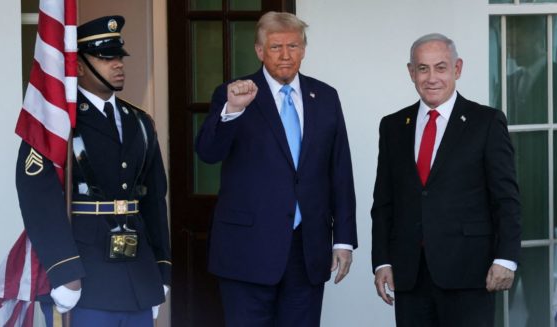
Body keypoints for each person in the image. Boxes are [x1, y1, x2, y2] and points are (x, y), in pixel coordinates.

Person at [195, 11, 357, 327]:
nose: (285, 56)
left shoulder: (325, 96)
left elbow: (340, 170)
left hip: (307, 249)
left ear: (304, 49)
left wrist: (343, 240)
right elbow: (208, 153)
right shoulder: (234, 93)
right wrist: (232, 111)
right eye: (276, 47)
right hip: (247, 251)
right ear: (259, 51)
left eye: (293, 46)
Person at [15, 15, 171, 327]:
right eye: (105, 57)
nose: (118, 64)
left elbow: (153, 199)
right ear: (80, 66)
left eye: (119, 56)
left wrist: (161, 267)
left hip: (138, 275)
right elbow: (38, 197)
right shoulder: (57, 125)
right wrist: (65, 271)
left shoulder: (139, 122)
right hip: (85, 271)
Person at [371, 33, 521, 327]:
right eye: (423, 68)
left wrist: (506, 258)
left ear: (457, 69)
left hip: (470, 271)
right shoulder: (393, 126)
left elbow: (506, 199)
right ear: (411, 72)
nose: (431, 78)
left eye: (440, 67)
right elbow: (384, 202)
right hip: (410, 274)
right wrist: (383, 261)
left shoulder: (486, 122)